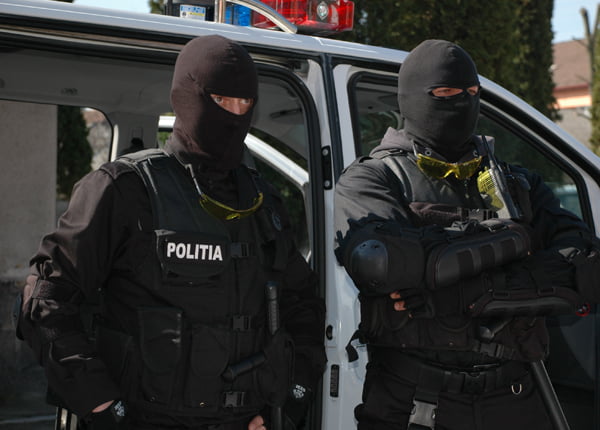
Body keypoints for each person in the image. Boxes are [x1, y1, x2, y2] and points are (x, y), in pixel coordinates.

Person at [15, 35, 326, 430]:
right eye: (221, 100)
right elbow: (46, 301)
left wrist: (289, 400)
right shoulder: (124, 189)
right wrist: (102, 406)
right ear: (186, 97)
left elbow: (304, 308)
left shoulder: (262, 202)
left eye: (245, 103)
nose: (234, 115)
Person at [334, 39, 600, 430]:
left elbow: (586, 264)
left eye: (473, 92)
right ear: (412, 97)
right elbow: (383, 263)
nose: (463, 102)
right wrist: (518, 240)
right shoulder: (372, 178)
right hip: (414, 400)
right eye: (445, 93)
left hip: (516, 394)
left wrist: (464, 290)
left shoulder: (518, 183)